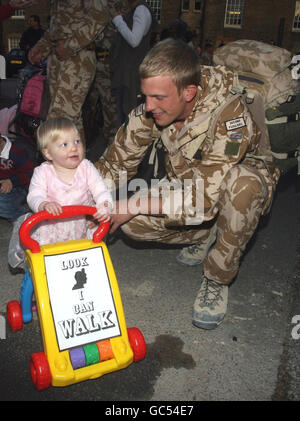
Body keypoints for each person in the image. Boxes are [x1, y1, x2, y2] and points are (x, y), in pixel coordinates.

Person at [94, 38, 280, 330]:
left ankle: (217, 277)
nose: (148, 106)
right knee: (132, 224)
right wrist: (70, 195)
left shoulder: (231, 116)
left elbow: (203, 200)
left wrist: (133, 202)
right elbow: (115, 164)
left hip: (233, 185)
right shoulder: (153, 107)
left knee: (243, 187)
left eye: (158, 98)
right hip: (191, 185)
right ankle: (206, 234)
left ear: (188, 92)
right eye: (145, 96)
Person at [8, 117, 113, 271]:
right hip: (50, 229)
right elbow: (34, 195)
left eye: (77, 141)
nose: (73, 148)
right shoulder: (43, 172)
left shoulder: (86, 167)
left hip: (79, 226)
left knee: (80, 262)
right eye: (65, 144)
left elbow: (101, 190)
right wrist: (43, 204)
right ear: (48, 153)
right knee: (48, 267)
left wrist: (104, 205)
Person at [27, 0, 109, 142]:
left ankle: (59, 163)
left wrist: (70, 45)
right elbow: (57, 28)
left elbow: (100, 17)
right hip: (58, 57)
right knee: (71, 121)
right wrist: (41, 47)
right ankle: (78, 163)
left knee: (59, 119)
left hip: (79, 57)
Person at [110, 0, 156, 127]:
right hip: (125, 74)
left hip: (130, 76)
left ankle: (128, 146)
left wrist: (118, 20)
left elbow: (134, 40)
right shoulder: (136, 10)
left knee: (128, 118)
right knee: (125, 117)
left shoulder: (141, 10)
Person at [0, 134, 33, 222]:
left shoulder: (17, 152)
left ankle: (23, 219)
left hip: (19, 187)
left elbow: (31, 173)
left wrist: (11, 181)